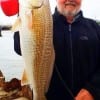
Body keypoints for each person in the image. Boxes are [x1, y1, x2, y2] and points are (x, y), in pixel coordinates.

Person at [14, 0, 100, 99]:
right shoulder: (45, 22)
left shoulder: (95, 28)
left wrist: (93, 89)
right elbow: (18, 48)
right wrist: (22, 15)